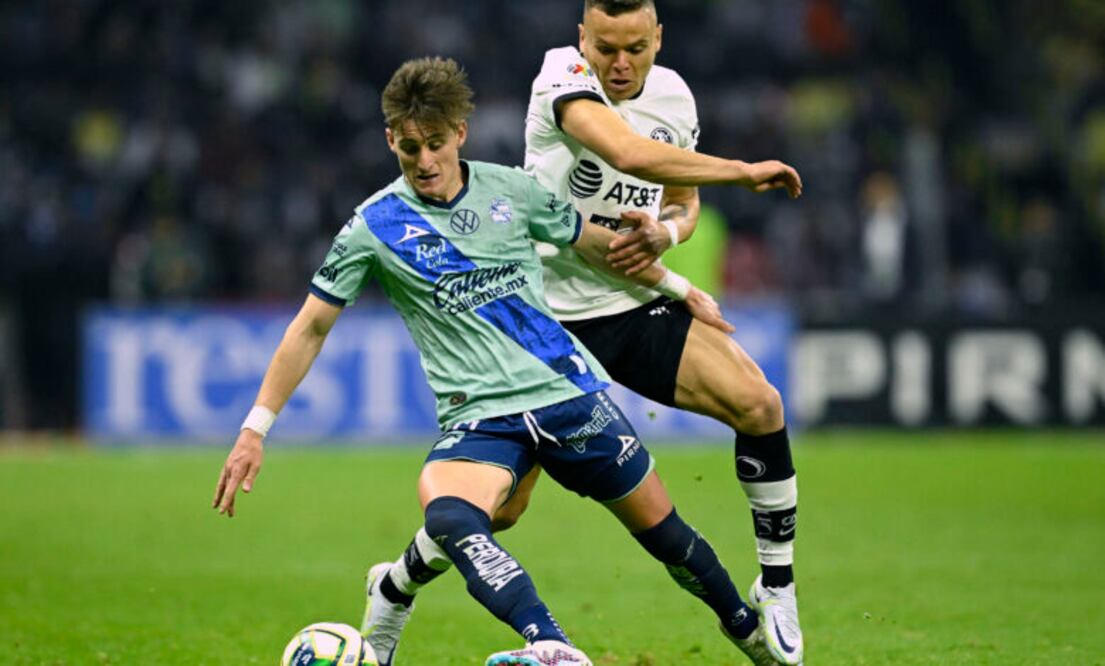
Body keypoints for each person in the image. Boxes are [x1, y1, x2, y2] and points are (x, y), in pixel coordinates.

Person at [213, 57, 780, 666]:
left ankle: (750, 632)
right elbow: (311, 326)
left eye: (435, 144)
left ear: (461, 130)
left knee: (666, 537)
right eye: (409, 148)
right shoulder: (373, 226)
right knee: (453, 514)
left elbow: (594, 246)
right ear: (389, 140)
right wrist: (255, 427)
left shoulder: (512, 190)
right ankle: (552, 646)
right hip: (481, 416)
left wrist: (675, 286)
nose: (425, 161)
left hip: (566, 393)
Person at [365, 2, 807, 665]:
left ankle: (777, 590)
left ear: (658, 37)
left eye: (635, 47)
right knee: (501, 512)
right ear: (582, 38)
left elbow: (679, 202)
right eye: (606, 47)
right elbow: (626, 152)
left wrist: (668, 234)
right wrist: (743, 172)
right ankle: (393, 584)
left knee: (759, 403)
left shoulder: (674, 97)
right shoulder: (559, 76)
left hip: (628, 304)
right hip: (540, 321)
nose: (620, 63)